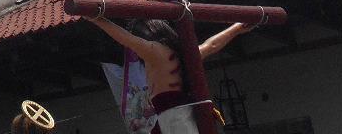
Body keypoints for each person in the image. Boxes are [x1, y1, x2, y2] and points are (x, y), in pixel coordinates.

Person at [81, 13, 251, 130]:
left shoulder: (155, 51)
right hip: (180, 113)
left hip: (172, 116)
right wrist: (236, 28)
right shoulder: (182, 52)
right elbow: (210, 45)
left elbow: (126, 38)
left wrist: (97, 19)